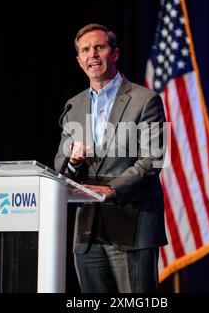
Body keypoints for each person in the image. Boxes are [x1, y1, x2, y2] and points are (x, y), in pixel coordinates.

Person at [55, 23, 167, 293]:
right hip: (87, 232)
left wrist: (110, 190)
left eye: (99, 47)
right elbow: (61, 166)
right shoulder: (73, 106)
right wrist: (74, 162)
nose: (92, 54)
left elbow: (151, 161)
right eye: (85, 50)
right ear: (79, 61)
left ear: (114, 54)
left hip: (132, 224)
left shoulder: (145, 100)